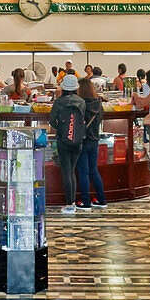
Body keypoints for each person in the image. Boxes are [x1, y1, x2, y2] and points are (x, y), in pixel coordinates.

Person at [49, 73, 85, 214]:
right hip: (78, 140)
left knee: (66, 171)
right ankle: (73, 203)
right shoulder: (81, 101)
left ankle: (69, 204)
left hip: (63, 140)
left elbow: (52, 121)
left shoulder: (59, 101)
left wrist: (62, 129)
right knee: (72, 170)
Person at [75, 76, 106, 210]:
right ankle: (101, 199)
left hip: (82, 141)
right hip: (94, 140)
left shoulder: (80, 105)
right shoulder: (98, 104)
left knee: (83, 172)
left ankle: (86, 202)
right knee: (93, 170)